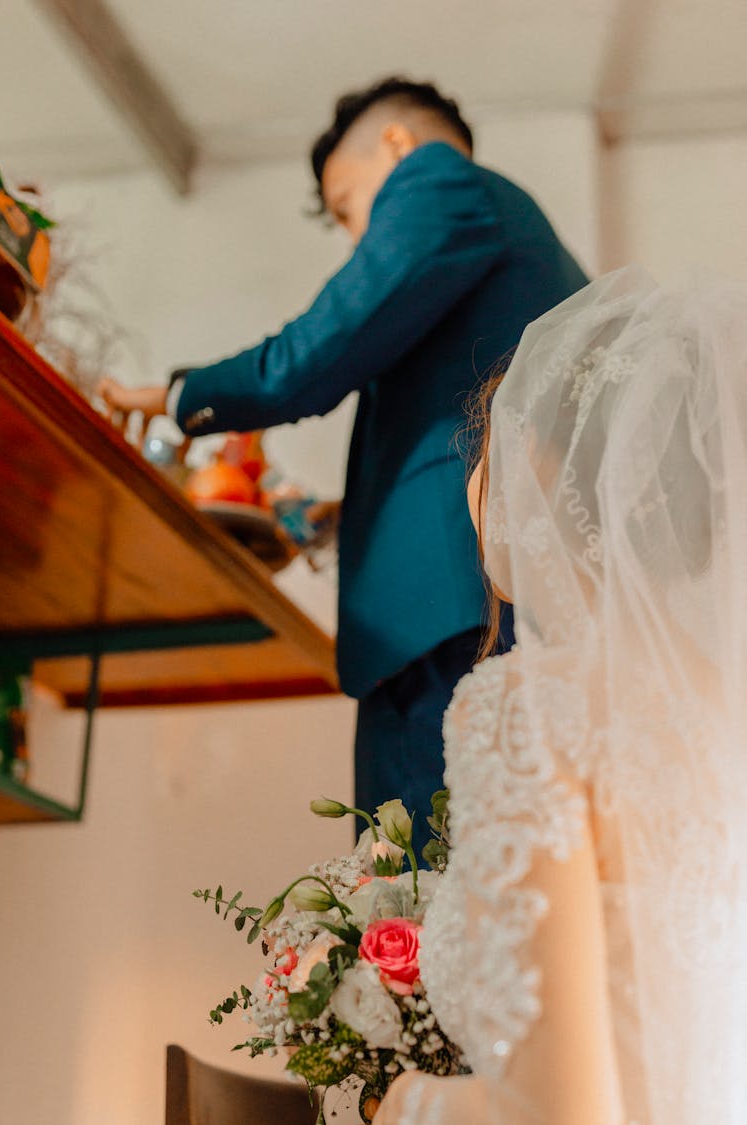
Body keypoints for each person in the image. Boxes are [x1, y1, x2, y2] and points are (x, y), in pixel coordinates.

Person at [97, 76, 588, 857]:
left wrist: (173, 394)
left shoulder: (442, 183)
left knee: (430, 893)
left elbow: (317, 350)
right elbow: (456, 424)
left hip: (455, 617)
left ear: (396, 145)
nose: (357, 239)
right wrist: (345, 511)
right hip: (469, 603)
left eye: (348, 206)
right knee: (435, 894)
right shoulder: (528, 245)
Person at [375, 265, 747, 1124]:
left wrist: (405, 1105)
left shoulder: (535, 710)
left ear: (560, 476)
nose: (475, 484)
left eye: (491, 449)